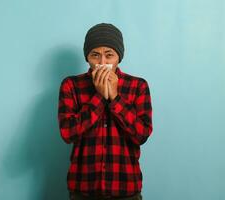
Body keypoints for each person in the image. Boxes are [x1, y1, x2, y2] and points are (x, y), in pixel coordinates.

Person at [57, 23, 153, 200]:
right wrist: (100, 96)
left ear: (119, 58)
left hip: (126, 190)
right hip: (83, 189)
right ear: (87, 58)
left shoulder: (138, 86)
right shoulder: (71, 85)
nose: (102, 63)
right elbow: (68, 133)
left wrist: (115, 96)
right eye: (95, 55)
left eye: (109, 55)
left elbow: (142, 135)